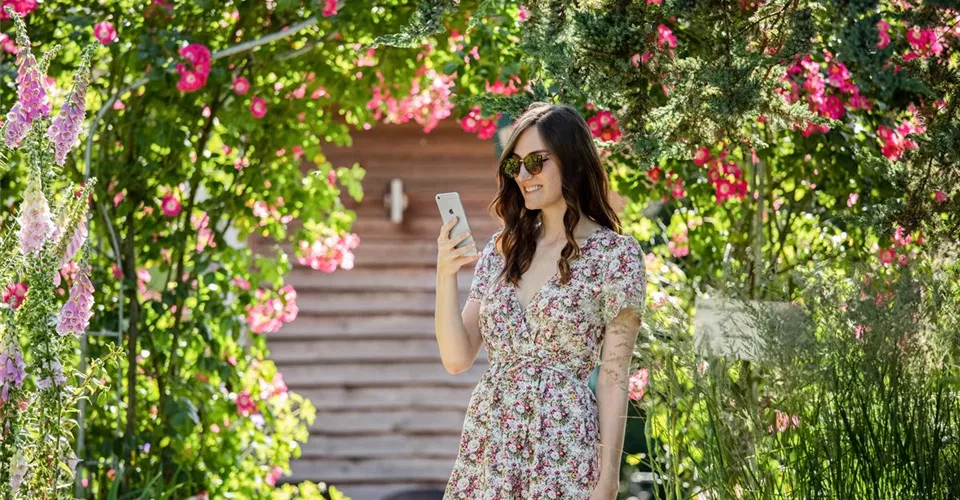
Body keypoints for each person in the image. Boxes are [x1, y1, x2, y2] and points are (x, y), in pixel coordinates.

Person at [434, 102, 647, 499]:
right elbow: (456, 357)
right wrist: (446, 274)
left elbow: (615, 376)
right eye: (515, 165)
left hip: (563, 444)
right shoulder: (500, 251)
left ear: (573, 161)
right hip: (492, 442)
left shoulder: (616, 256)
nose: (524, 175)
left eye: (536, 161)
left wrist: (608, 479)